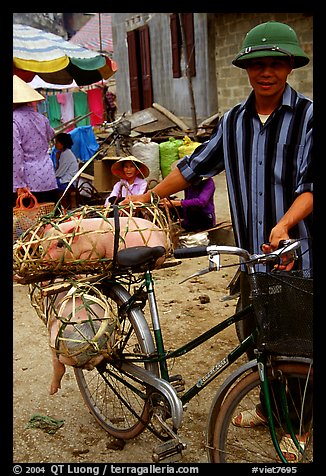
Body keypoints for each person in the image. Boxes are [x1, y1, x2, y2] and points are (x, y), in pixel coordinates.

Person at [121, 21, 313, 461]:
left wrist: (283, 226)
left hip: (292, 254)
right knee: (256, 335)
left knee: (295, 343)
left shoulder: (308, 117)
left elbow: (311, 186)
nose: (267, 72)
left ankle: (299, 426)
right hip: (250, 255)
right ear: (247, 69)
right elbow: (193, 167)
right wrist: (147, 198)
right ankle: (269, 408)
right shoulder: (233, 121)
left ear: (289, 67)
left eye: (275, 64)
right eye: (258, 64)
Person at [13, 75, 58, 205]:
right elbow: (51, 135)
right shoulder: (41, 118)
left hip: (27, 184)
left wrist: (19, 184)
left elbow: (16, 155)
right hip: (47, 177)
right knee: (50, 221)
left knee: (28, 223)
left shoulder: (14, 120)